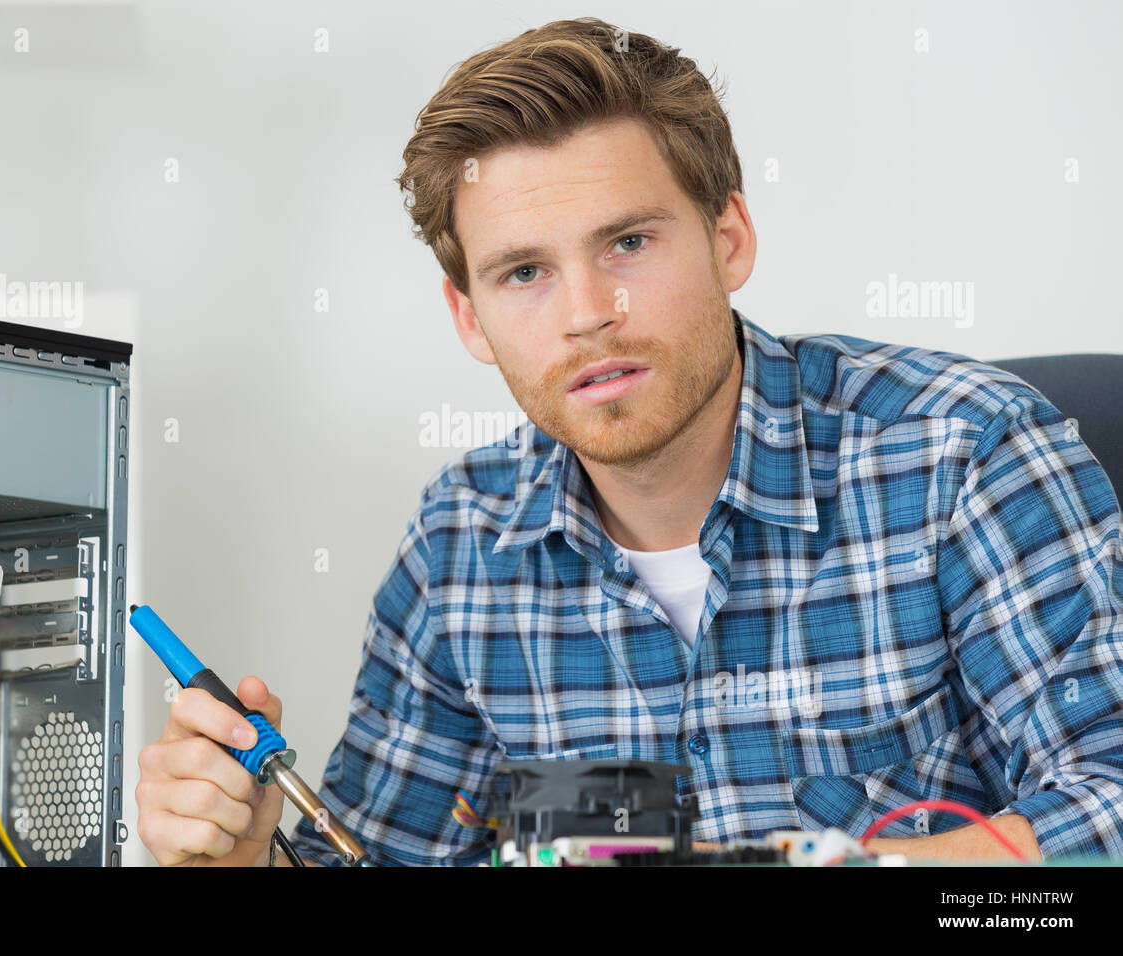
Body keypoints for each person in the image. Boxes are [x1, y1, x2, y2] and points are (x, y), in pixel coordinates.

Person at [136, 16, 1123, 867]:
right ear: (469, 317)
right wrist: (241, 852)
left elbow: (1110, 801)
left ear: (727, 235)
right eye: (524, 271)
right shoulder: (458, 547)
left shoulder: (964, 455)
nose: (586, 314)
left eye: (628, 243)